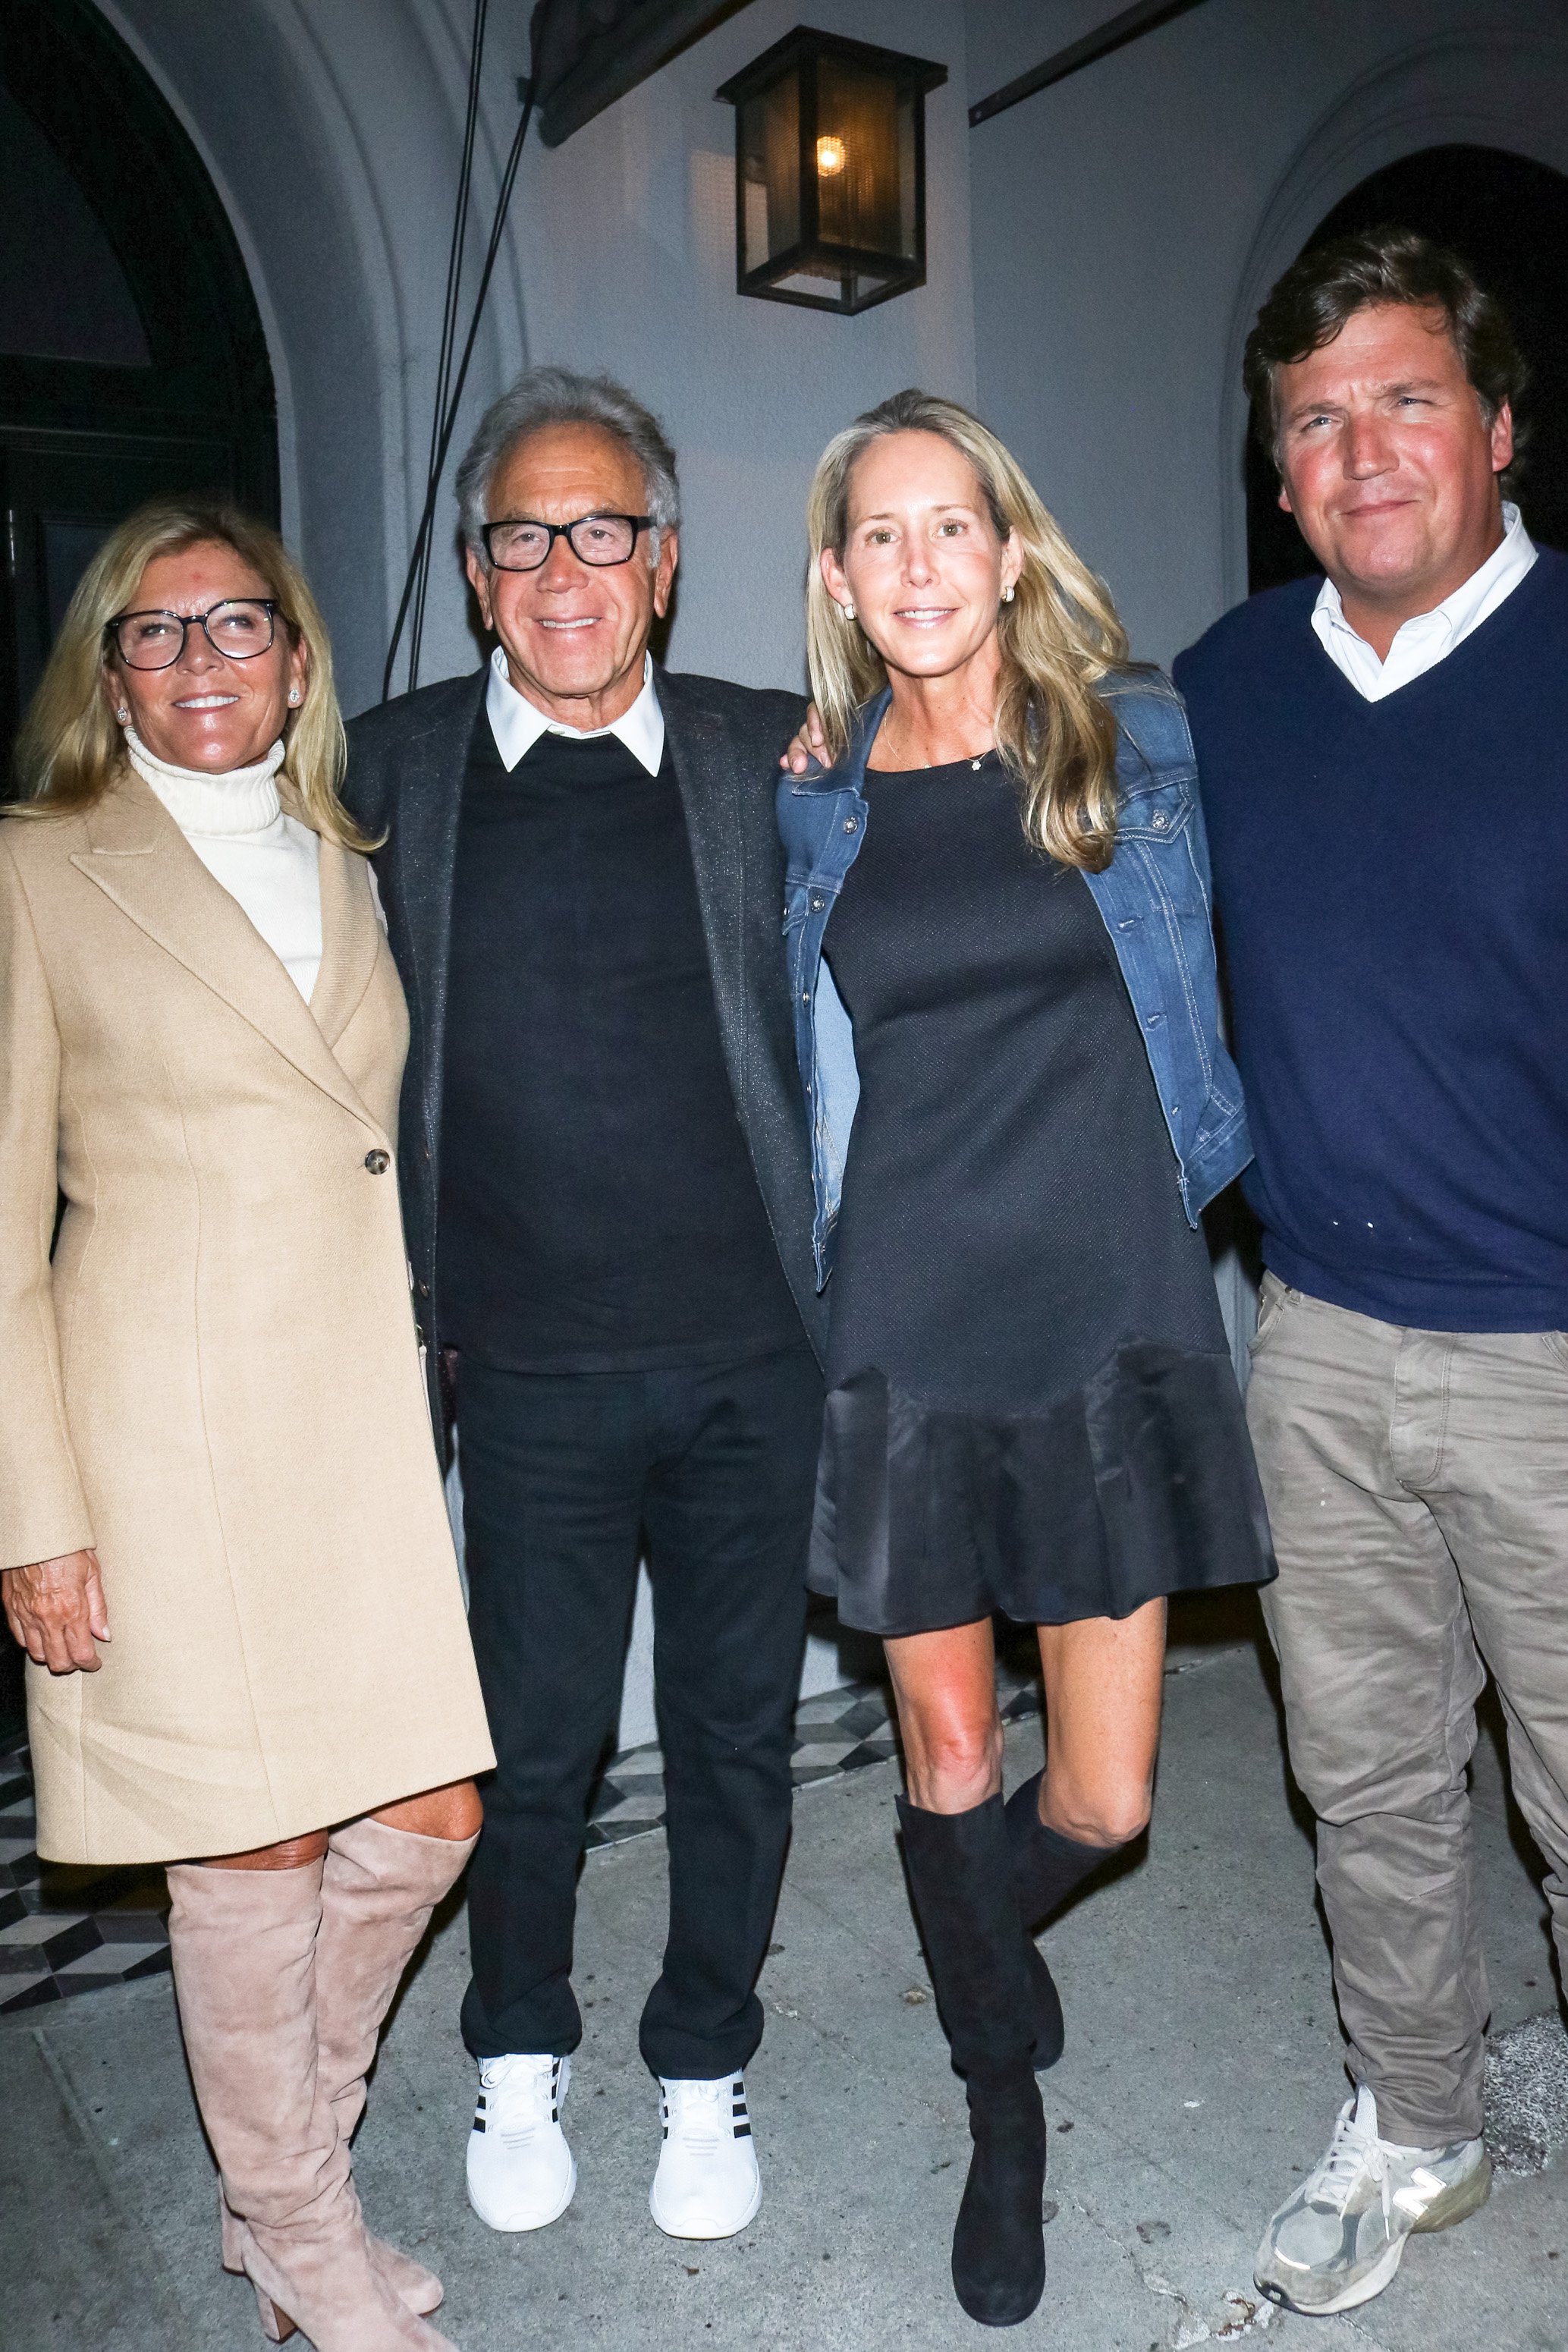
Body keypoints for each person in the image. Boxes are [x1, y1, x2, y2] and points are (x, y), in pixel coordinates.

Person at [777, 390, 1274, 2328]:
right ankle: (1003, 2107)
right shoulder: (811, 794)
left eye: (946, 528)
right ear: (835, 573)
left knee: (1102, 1796)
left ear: (1005, 547)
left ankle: (978, 1937)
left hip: (1107, 1307)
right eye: (875, 537)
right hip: (906, 1315)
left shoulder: (1129, 738)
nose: (915, 567)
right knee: (948, 1749)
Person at [0, 500, 494, 2350]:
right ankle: (306, 2235)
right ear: (104, 667)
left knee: (428, 1809)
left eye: (239, 626)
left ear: (295, 656)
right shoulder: (36, 868)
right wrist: (31, 1512)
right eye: (156, 629)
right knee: (251, 1848)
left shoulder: (342, 851)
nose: (202, 661)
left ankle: (282, 2198)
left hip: (354, 1427)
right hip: (162, 1431)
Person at [341, 369, 826, 2246]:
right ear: (477, 574)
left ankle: (704, 2066)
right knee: (530, 1747)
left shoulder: (768, 753)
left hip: (747, 1362)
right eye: (524, 535)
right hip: (520, 1369)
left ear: (666, 557)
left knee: (733, 1738)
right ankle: (516, 2037)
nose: (564, 567)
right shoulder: (384, 776)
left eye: (601, 528)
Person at [1173, 228, 1568, 2319]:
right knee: (1367, 1773)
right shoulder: (1226, 687)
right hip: (1312, 1340)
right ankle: (1414, 2111)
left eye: (1404, 396)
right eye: (1312, 418)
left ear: (1498, 427)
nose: (1359, 446)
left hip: (1555, 1355)